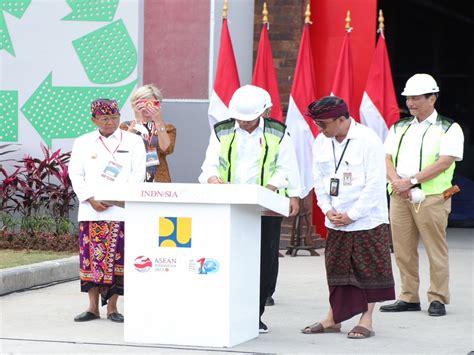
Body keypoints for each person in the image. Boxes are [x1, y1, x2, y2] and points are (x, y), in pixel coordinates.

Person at [199, 85, 301, 333]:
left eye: (249, 119)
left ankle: (255, 313)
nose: (244, 124)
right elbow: (210, 164)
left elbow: (286, 167)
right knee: (229, 258)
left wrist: (276, 189)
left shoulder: (278, 133)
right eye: (240, 119)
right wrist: (212, 178)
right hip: (230, 204)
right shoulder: (221, 131)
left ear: (264, 112)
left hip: (266, 205)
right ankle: (227, 310)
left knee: (264, 260)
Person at [302, 96, 395, 339]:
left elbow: (376, 184)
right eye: (317, 125)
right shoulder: (322, 142)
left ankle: (367, 320)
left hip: (366, 219)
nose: (320, 129)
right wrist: (326, 209)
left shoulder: (368, 140)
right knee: (336, 270)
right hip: (336, 219)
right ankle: (332, 319)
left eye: (323, 124)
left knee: (369, 271)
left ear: (342, 120)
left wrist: (353, 215)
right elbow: (319, 180)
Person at [380, 74, 464, 317]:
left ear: (433, 98)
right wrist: (396, 181)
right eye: (408, 98)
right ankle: (408, 296)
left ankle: (438, 297)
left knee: (435, 248)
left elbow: (445, 161)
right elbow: (386, 157)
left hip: (432, 197)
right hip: (400, 196)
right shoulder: (399, 126)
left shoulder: (449, 127)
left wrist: (411, 181)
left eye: (417, 98)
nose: (411, 103)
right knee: (403, 249)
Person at [69, 98, 146, 323]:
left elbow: (138, 174)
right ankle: (92, 308)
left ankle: (113, 308)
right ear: (94, 120)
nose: (110, 122)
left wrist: (118, 197)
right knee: (90, 261)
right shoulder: (83, 142)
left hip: (120, 210)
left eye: (114, 117)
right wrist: (90, 198)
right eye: (104, 119)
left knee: (117, 260)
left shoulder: (132, 141)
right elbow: (76, 174)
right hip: (91, 210)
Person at [120, 84, 173, 182]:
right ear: (134, 105)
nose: (148, 107)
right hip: (132, 179)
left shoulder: (167, 128)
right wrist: (138, 121)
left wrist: (158, 121)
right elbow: (121, 150)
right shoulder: (125, 127)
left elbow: (166, 149)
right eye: (143, 103)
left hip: (158, 180)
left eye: (152, 103)